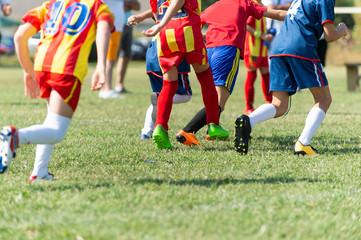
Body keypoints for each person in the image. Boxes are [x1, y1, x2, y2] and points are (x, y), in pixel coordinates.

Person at [0, 0, 114, 181]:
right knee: (57, 131)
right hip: (66, 68)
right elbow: (104, 29)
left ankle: (40, 172)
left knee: (51, 118)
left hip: (42, 65)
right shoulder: (97, 6)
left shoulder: (51, 5)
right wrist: (101, 66)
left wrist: (28, 72)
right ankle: (15, 137)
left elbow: (20, 35)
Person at [234, 0, 348, 155]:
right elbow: (329, 36)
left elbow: (284, 15)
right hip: (301, 47)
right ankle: (303, 143)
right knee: (324, 99)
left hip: (278, 48)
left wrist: (259, 10)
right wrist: (342, 30)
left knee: (279, 105)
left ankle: (249, 121)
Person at [175, 0, 286, 146]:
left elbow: (194, 24)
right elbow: (276, 13)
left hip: (209, 51)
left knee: (213, 96)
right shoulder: (244, 3)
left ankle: (211, 132)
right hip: (227, 49)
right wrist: (300, 15)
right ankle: (188, 131)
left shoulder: (215, 6)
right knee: (219, 100)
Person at [135, 0, 229, 149]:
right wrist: (160, 24)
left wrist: (161, 24)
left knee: (169, 83)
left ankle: (160, 128)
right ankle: (213, 124)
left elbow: (156, 13)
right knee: (205, 77)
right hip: (187, 30)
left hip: (165, 34)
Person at [243, 0, 274, 115]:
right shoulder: (251, 5)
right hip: (252, 49)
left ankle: (270, 102)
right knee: (252, 76)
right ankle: (248, 106)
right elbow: (246, 25)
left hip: (262, 49)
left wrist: (268, 34)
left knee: (266, 75)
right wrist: (261, 35)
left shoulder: (262, 5)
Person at [99, 0, 125, 99]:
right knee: (108, 59)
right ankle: (106, 89)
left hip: (116, 26)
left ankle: (105, 88)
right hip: (111, 25)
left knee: (111, 58)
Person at [114, 0, 140, 93]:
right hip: (116, 25)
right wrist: (129, 5)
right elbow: (117, 6)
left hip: (128, 26)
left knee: (125, 56)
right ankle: (105, 85)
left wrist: (126, 4)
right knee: (111, 57)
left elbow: (137, 7)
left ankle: (119, 85)